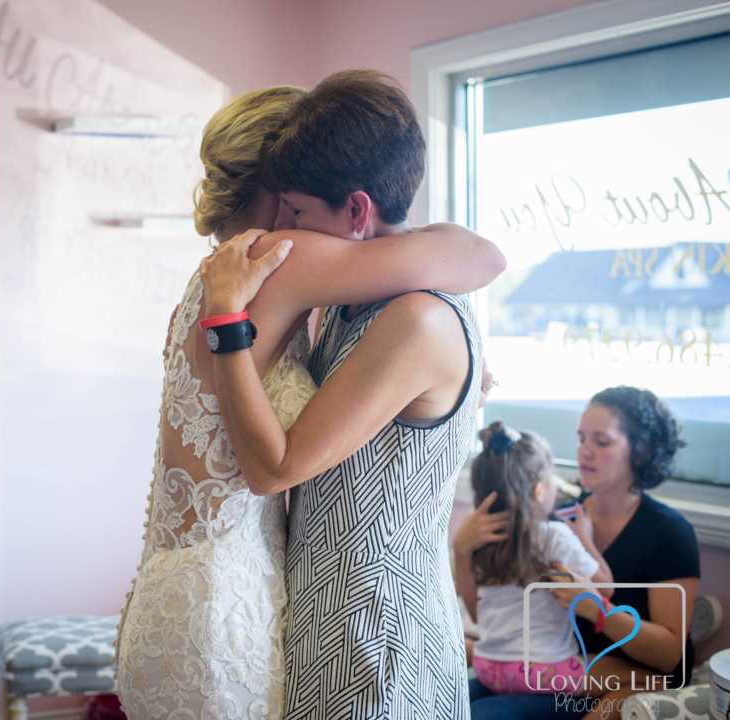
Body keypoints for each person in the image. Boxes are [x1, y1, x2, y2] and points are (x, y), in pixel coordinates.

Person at [114, 84, 505, 718]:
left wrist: (453, 355)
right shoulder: (278, 262)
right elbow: (479, 256)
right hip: (228, 601)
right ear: (277, 186)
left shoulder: (224, 274)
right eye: (292, 205)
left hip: (184, 585)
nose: (295, 225)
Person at [462, 387, 700, 720]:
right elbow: (490, 616)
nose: (583, 452)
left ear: (641, 452)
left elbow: (671, 659)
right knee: (440, 702)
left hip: (617, 682)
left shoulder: (669, 534)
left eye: (601, 442)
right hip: (550, 670)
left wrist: (595, 608)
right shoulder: (550, 520)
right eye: (581, 439)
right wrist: (462, 551)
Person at [455, 422, 611, 697]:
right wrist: (584, 537)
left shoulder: (478, 541)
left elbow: (477, 615)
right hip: (545, 674)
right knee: (644, 677)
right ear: (539, 491)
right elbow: (606, 588)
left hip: (488, 668)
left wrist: (461, 553)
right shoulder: (554, 536)